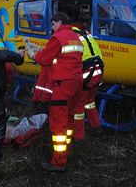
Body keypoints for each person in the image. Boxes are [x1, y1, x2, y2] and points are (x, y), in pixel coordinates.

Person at [28, 12, 84, 172]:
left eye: (53, 25)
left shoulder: (58, 38)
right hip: (76, 84)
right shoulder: (75, 37)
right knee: (68, 120)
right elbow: (63, 58)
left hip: (63, 86)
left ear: (59, 22)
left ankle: (58, 163)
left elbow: (44, 59)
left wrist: (33, 54)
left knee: (58, 124)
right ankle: (66, 152)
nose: (52, 28)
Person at [71, 26, 105, 139]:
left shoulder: (71, 37)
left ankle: (78, 136)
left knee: (78, 106)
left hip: (88, 73)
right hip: (98, 71)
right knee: (89, 102)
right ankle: (97, 127)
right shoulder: (85, 33)